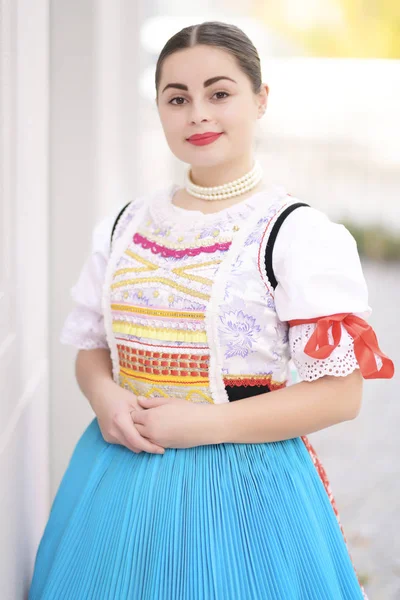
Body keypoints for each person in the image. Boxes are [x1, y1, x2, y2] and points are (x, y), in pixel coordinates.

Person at [29, 21, 394, 600]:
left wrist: (207, 424)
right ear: (160, 108)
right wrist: (106, 398)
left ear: (260, 98)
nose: (198, 113)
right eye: (178, 98)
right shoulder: (125, 225)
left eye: (219, 93)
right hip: (116, 475)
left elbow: (341, 395)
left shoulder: (296, 235)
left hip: (243, 487)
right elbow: (92, 347)